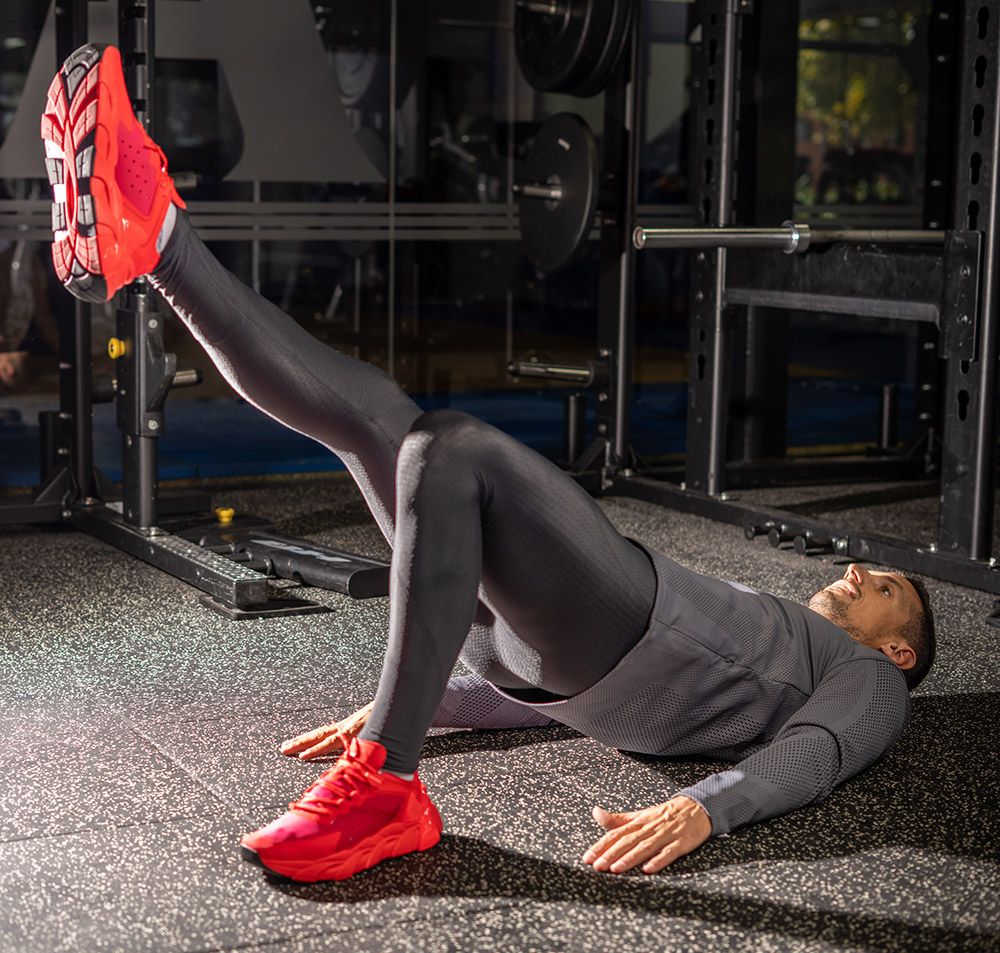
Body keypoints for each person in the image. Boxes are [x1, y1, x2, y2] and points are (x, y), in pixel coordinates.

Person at [41, 44, 936, 884]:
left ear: (899, 649)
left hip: (624, 619)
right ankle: (157, 242)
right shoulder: (785, 633)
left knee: (448, 445)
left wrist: (709, 809)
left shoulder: (866, 680)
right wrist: (426, 694)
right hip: (556, 645)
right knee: (373, 420)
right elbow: (539, 697)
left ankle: (386, 786)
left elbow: (821, 751)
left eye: (888, 584)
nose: (860, 569)